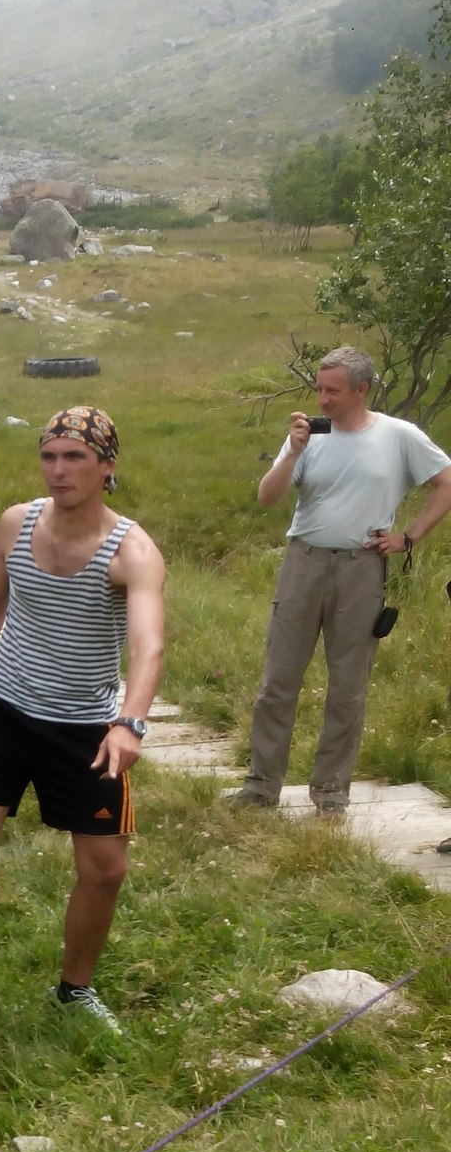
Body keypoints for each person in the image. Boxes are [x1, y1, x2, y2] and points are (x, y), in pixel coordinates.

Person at [0, 407, 166, 1032]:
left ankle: (75, 991)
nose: (59, 471)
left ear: (106, 467)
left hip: (87, 729)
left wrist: (129, 723)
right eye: (50, 456)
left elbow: (149, 648)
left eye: (75, 458)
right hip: (5, 711)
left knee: (105, 869)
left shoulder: (132, 550)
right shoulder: (15, 523)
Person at [228, 346, 451, 813]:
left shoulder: (399, 435)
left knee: (347, 686)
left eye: (333, 391)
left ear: (361, 389)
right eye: (319, 389)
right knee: (278, 680)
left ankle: (330, 792)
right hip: (303, 562)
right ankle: (260, 785)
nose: (322, 399)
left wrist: (409, 537)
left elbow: (445, 481)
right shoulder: (310, 437)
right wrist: (293, 450)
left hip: (361, 567)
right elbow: (267, 498)